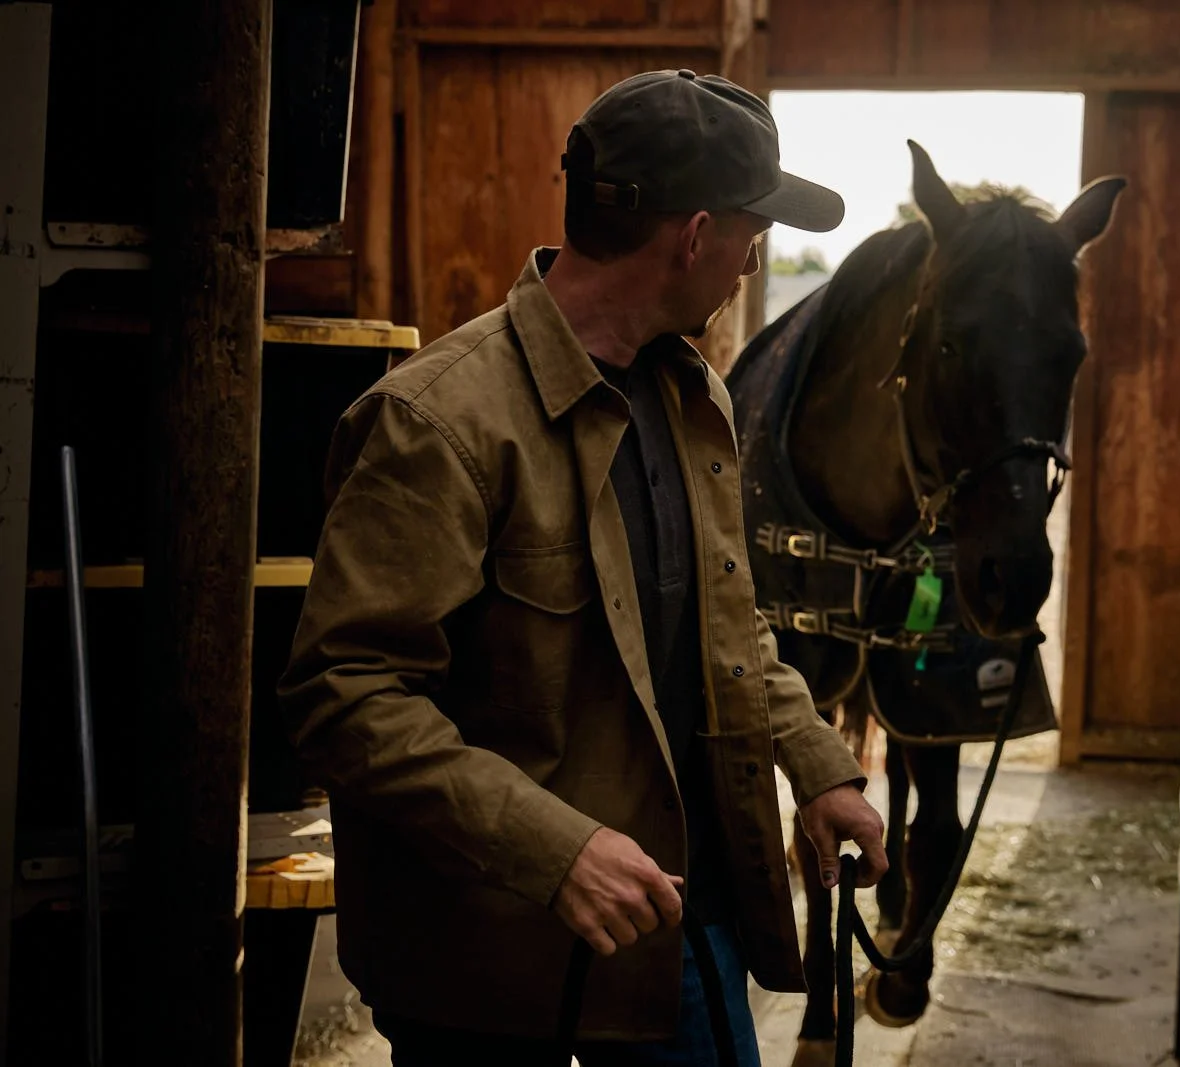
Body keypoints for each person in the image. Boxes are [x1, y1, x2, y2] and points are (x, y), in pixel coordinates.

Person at [277, 69, 889, 1065]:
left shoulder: (695, 399)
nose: (749, 260)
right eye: (748, 230)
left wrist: (817, 766)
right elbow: (344, 696)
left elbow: (722, 629)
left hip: (681, 924)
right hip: (494, 968)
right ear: (693, 235)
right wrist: (551, 848)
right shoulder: (437, 421)